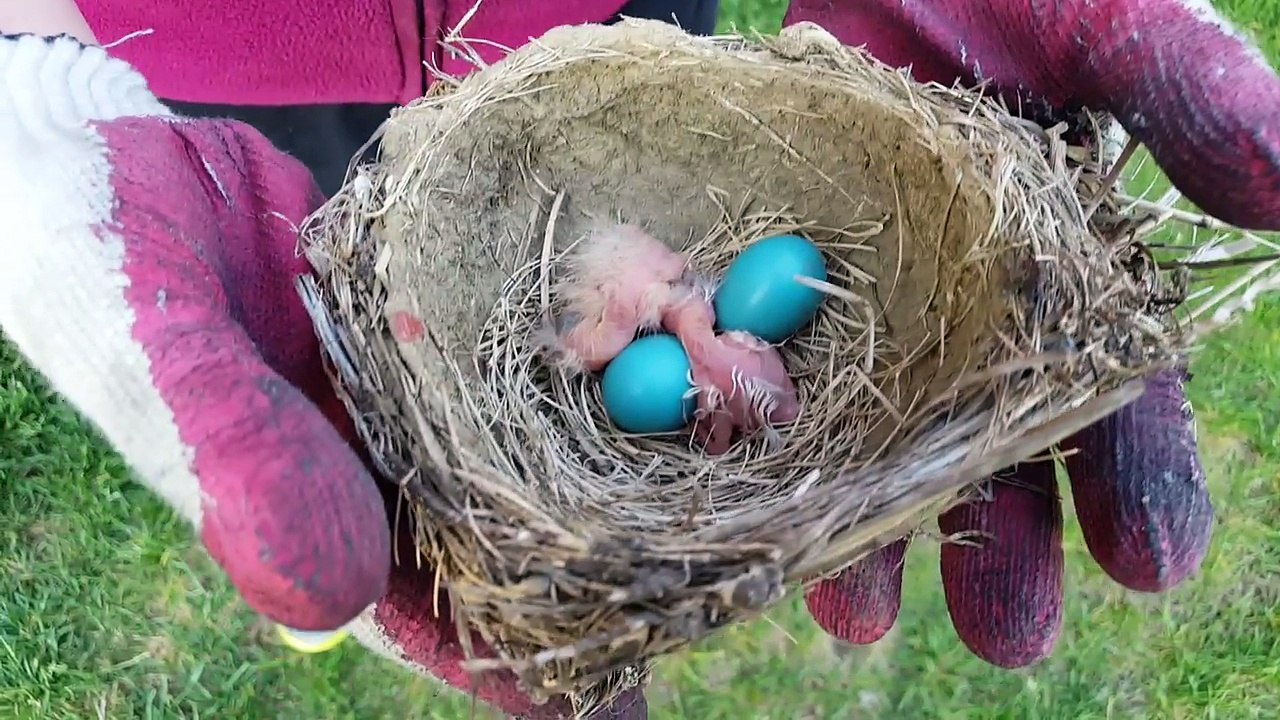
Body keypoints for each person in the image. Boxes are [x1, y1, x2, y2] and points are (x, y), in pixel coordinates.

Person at [0, 1, 1275, 718]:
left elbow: (733, 328)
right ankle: (339, 530)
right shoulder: (656, 336)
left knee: (419, 383)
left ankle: (344, 529)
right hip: (218, 65)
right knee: (340, 357)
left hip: (603, 31)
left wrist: (695, 335)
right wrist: (30, 87)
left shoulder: (707, 305)